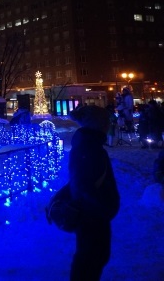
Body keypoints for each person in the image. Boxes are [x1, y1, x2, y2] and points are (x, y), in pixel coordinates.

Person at [68, 105, 121, 280]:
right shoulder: (89, 148)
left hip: (94, 214)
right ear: (97, 124)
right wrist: (103, 207)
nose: (108, 124)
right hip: (92, 216)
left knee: (93, 258)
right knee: (90, 260)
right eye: (105, 121)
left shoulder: (90, 144)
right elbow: (83, 185)